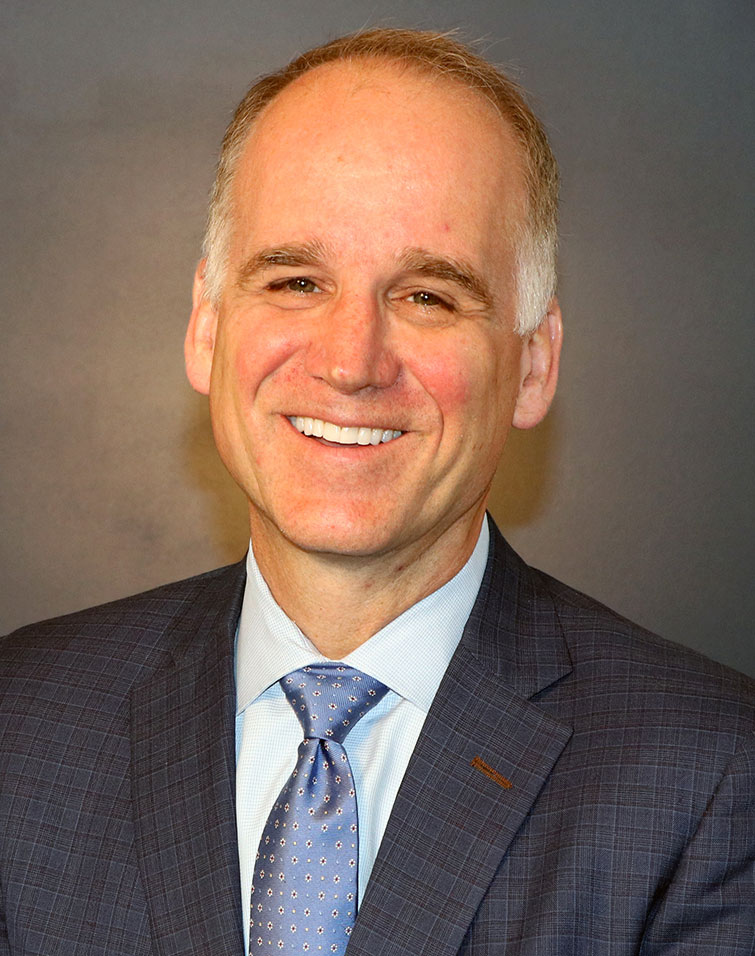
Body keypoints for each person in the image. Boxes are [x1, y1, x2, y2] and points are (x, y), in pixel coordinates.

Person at [1, 27, 753, 956]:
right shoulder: (20, 724)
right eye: (296, 280)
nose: (351, 362)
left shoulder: (712, 780)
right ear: (206, 328)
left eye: (428, 297)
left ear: (532, 366)